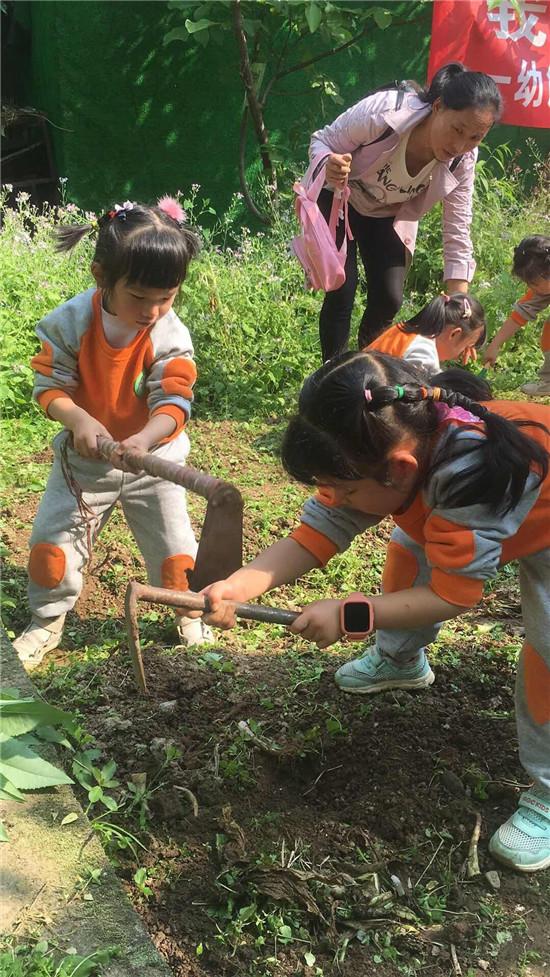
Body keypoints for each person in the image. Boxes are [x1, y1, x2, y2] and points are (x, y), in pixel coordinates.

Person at [195, 353, 550, 872]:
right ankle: (401, 662)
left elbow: (456, 596)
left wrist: (350, 614)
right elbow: (318, 531)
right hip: (483, 515)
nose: (334, 498)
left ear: (400, 469)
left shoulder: (465, 473)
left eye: (345, 489)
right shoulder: (381, 444)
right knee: (410, 546)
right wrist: (238, 584)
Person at [14, 197, 213, 668]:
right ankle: (47, 620)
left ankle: (187, 613)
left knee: (175, 550)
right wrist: (79, 419)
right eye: (140, 296)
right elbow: (50, 387)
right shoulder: (70, 323)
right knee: (53, 545)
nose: (153, 310)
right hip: (85, 465)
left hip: (154, 463)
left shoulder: (167, 330)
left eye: (167, 297)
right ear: (101, 276)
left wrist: (144, 441)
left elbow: (174, 398)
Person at [305, 63, 502, 362]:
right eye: (457, 129)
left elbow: (457, 227)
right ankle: (331, 377)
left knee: (389, 298)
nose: (461, 144)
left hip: (386, 213)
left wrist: (463, 309)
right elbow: (322, 140)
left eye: (475, 137)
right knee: (342, 288)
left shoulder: (462, 160)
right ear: (438, 107)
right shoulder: (384, 112)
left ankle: (368, 372)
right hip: (339, 199)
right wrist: (329, 162)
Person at [484, 235, 550, 396]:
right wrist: (495, 345)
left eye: (533, 283)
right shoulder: (541, 290)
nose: (531, 288)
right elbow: (519, 315)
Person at [367, 291, 486, 373]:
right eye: (465, 348)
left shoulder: (405, 332)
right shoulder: (423, 352)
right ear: (454, 334)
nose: (458, 357)